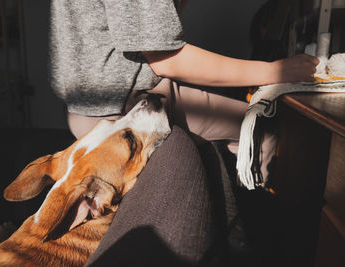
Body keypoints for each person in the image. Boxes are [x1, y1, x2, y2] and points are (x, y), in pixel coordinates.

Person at [48, 0, 319, 265]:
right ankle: (261, 249)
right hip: (130, 104)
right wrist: (274, 70)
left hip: (79, 109)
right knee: (265, 130)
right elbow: (165, 59)